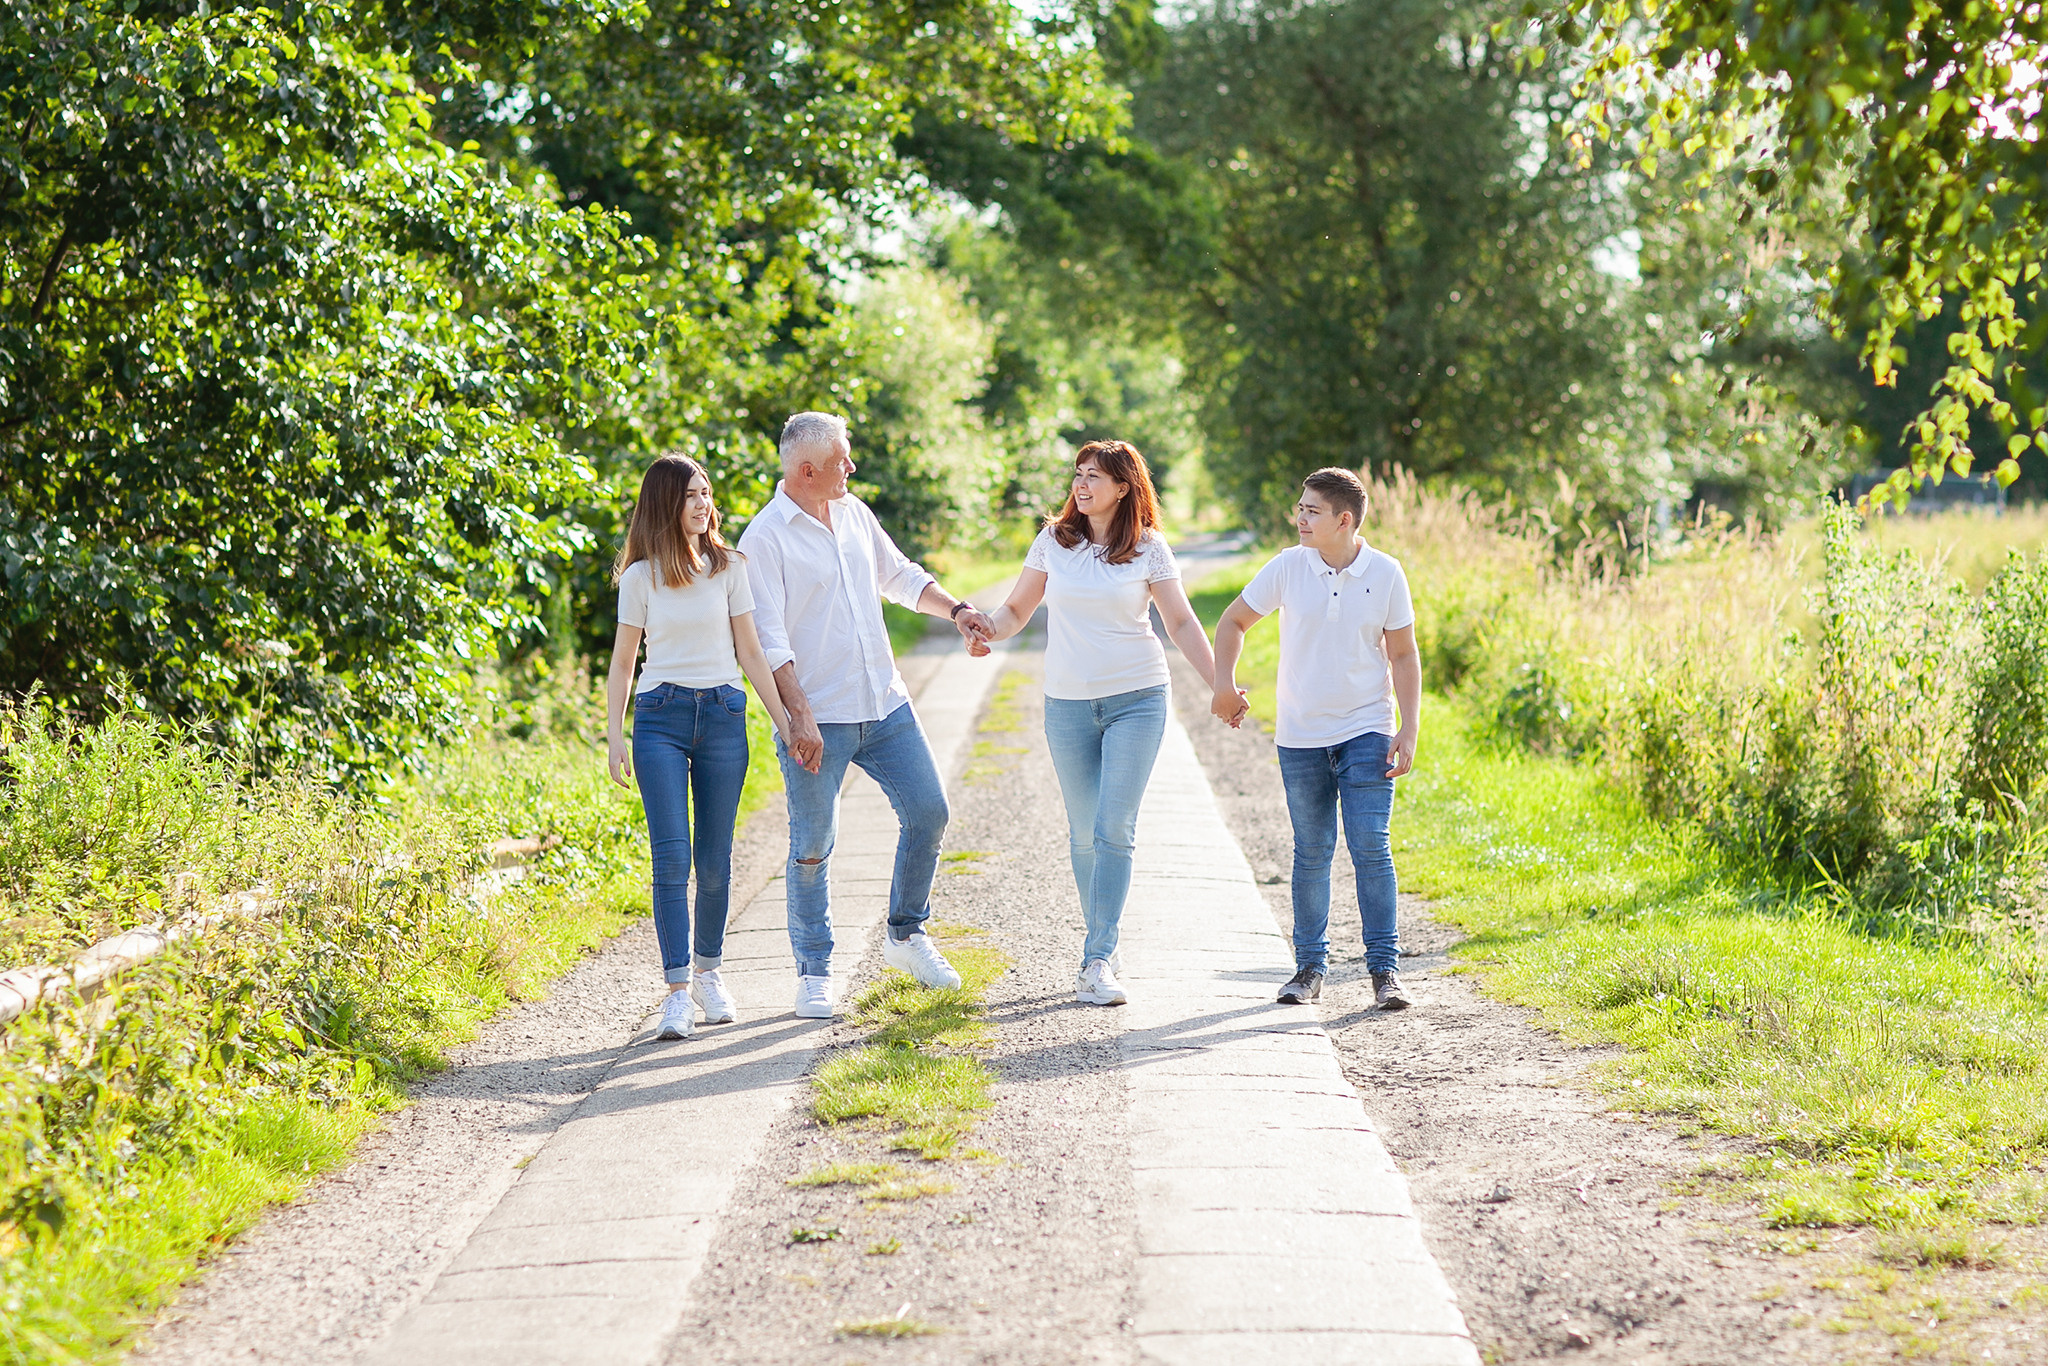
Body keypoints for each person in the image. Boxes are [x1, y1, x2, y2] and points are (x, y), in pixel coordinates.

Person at [740, 412, 996, 1019]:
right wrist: (796, 717)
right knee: (813, 846)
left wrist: (957, 610)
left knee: (930, 812)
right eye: (842, 460)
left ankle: (905, 934)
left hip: (884, 702)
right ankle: (814, 970)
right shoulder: (764, 538)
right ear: (808, 470)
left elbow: (900, 576)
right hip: (817, 718)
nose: (852, 468)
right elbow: (768, 640)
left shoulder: (854, 513)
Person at [972, 440, 1228, 1006]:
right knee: (1084, 832)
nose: (1082, 485)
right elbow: (1017, 609)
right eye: (1078, 474)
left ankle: (1098, 957)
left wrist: (1221, 685)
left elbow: (1181, 622)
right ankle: (1102, 943)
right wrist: (986, 627)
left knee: (1115, 826)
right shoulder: (1054, 541)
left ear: (1124, 487)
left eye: (1096, 477)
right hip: (1066, 704)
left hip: (1137, 698)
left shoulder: (1149, 549)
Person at [1208, 467, 1421, 1010]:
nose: (1299, 518)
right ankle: (1308, 970)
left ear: (1343, 519)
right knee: (1312, 851)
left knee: (1371, 847)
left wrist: (1409, 726)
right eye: (1299, 508)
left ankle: (1385, 973)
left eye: (1310, 511)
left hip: (1366, 728)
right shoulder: (1287, 567)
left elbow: (1402, 654)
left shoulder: (1387, 573)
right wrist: (1223, 685)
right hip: (1299, 734)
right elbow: (1231, 622)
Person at [605, 454, 796, 1041]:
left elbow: (751, 651)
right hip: (660, 719)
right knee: (672, 858)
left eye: (706, 493)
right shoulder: (640, 578)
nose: (702, 503)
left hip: (721, 716)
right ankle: (678, 991)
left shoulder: (729, 566)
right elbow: (622, 663)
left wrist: (785, 719)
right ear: (665, 502)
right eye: (690, 494)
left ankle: (710, 973)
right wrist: (615, 732)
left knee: (714, 861)